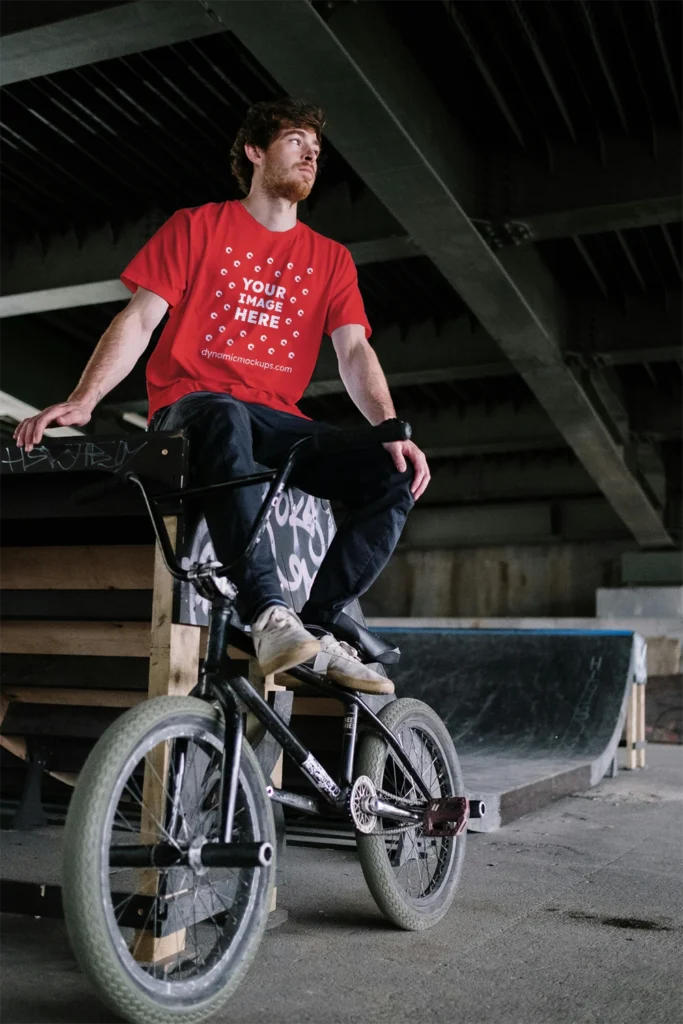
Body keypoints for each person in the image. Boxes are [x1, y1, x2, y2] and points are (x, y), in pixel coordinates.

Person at [13, 99, 430, 692]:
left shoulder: (330, 260)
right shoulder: (197, 226)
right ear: (255, 152)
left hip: (277, 418)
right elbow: (139, 319)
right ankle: (269, 612)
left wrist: (388, 428)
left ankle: (317, 627)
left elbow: (354, 351)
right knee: (224, 412)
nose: (311, 153)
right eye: (294, 141)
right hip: (195, 407)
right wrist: (85, 397)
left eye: (316, 148)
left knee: (389, 473)